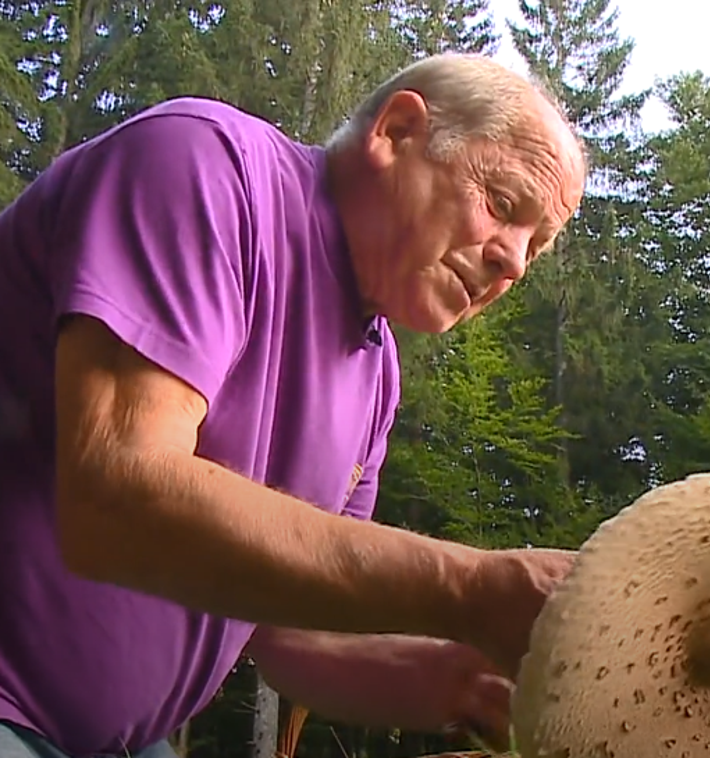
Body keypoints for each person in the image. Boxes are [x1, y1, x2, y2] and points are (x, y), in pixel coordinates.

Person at [0, 53, 586, 758]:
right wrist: (470, 587)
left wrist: (465, 683)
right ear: (396, 131)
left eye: (536, 245)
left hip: (116, 742)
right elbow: (116, 495)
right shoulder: (205, 167)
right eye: (501, 204)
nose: (515, 261)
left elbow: (285, 633)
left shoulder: (376, 375)